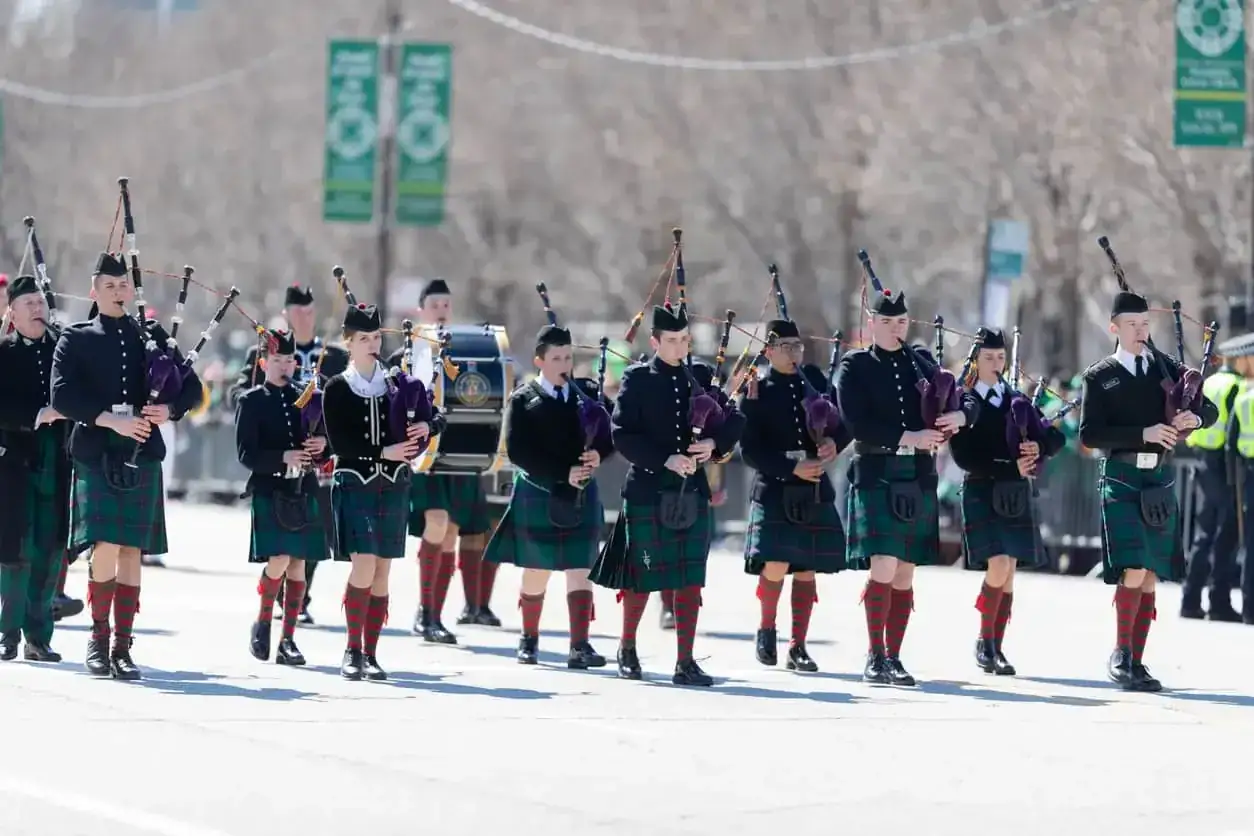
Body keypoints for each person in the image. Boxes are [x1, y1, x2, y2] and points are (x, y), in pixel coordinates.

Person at [50, 252, 204, 679]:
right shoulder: (75, 338)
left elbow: (191, 387)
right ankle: (98, 641)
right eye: (110, 286)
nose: (119, 293)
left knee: (133, 550)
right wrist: (109, 419)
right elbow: (62, 395)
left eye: (124, 287)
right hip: (98, 449)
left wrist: (169, 410)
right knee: (106, 546)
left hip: (141, 453)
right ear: (94, 291)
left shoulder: (151, 335)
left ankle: (123, 645)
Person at [589, 304, 744, 686]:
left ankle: (685, 661)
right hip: (648, 489)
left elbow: (732, 418)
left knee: (690, 579)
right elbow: (622, 433)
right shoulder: (639, 379)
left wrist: (712, 444)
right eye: (672, 341)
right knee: (641, 577)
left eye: (684, 340)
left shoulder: (702, 375)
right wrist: (666, 459)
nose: (680, 347)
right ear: (656, 341)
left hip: (691, 492)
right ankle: (626, 648)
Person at [835, 288, 979, 687]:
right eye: (886, 322)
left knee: (904, 572)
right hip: (876, 469)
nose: (895, 328)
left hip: (916, 475)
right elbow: (855, 422)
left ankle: (894, 657)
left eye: (900, 322)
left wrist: (960, 417)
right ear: (871, 323)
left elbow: (965, 398)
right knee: (883, 562)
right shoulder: (855, 366)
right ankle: (874, 655)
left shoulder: (921, 363)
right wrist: (907, 436)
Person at [1079, 288, 1218, 691]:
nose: (1140, 331)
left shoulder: (1165, 368)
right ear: (1115, 328)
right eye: (1132, 325)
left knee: (1151, 574)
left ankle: (1137, 661)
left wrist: (1195, 418)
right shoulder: (1100, 376)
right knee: (1135, 567)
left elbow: (1208, 408)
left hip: (1158, 478)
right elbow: (1090, 434)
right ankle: (1121, 654)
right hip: (1122, 477)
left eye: (1144, 324)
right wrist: (1144, 432)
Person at [483, 325, 615, 667]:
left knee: (581, 567)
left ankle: (580, 645)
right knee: (537, 570)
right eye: (556, 358)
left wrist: (601, 453)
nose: (564, 364)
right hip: (540, 489)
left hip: (582, 491)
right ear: (539, 360)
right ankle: (529, 638)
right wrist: (561, 473)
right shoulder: (523, 400)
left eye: (568, 357)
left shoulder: (587, 394)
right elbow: (518, 452)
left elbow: (611, 432)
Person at [323, 301, 439, 680]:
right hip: (355, 481)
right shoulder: (338, 388)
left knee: (383, 572)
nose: (372, 344)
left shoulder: (394, 383)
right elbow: (340, 443)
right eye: (363, 339)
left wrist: (427, 427)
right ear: (348, 343)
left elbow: (429, 410)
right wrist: (383, 452)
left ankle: (370, 654)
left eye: (375, 337)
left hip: (393, 486)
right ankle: (352, 649)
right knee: (365, 564)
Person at [948, 329, 1065, 675]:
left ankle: (997, 645)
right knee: (999, 565)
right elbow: (964, 458)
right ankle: (985, 641)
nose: (996, 364)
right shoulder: (965, 401)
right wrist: (1008, 463)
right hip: (982, 487)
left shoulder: (1016, 399)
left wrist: (1038, 448)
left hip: (1013, 492)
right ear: (976, 361)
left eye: (1000, 358)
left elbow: (1053, 436)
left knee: (1009, 572)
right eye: (989, 358)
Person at [231, 283, 349, 626]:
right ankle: (270, 611)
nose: (305, 316)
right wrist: (255, 402)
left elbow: (338, 412)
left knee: (308, 546)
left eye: (310, 310)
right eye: (297, 311)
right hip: (273, 472)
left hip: (316, 471)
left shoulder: (335, 356)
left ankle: (295, 615)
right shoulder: (259, 361)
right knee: (282, 552)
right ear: (286, 313)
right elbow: (240, 400)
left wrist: (324, 442)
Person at [738, 320, 848, 673]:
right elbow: (750, 449)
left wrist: (834, 443)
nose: (793, 353)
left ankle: (798, 646)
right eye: (785, 346)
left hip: (813, 486)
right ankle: (766, 628)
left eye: (797, 346)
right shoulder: (758, 389)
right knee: (776, 563)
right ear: (769, 351)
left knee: (807, 568)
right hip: (776, 485)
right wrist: (789, 468)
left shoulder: (814, 380)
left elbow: (842, 421)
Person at [400, 279, 496, 643]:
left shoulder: (466, 351)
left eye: (446, 303)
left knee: (450, 532)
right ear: (422, 309)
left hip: (459, 450)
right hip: (426, 455)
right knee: (437, 523)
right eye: (435, 303)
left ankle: (432, 616)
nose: (442, 309)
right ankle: (426, 612)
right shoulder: (410, 352)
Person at [236, 329, 330, 666]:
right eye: (277, 360)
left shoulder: (305, 397)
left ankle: (288, 640)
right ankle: (263, 622)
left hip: (303, 487)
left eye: (289, 360)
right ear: (263, 362)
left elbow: (323, 442)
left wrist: (322, 447)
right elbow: (246, 454)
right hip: (270, 488)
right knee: (278, 560)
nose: (284, 366)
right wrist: (282, 457)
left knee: (299, 564)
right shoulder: (251, 401)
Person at [0, 275, 74, 662]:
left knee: (49, 547)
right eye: (27, 302)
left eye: (41, 302)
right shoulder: (4, 352)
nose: (36, 308)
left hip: (57, 459)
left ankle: (39, 637)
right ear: (11, 311)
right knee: (15, 548)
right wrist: (36, 415)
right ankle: (7, 632)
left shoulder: (64, 349)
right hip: (14, 460)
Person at [1181, 340, 1247, 621]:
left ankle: (1190, 599)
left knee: (1204, 534)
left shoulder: (1211, 382)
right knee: (1225, 534)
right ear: (1242, 360)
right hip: (1224, 466)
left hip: (1203, 462)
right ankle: (1218, 601)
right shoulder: (1237, 387)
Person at [1220, 332, 1254, 624]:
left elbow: (1231, 443)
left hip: (1248, 473)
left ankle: (1249, 608)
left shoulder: (1244, 396)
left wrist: (1233, 481)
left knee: (1251, 543)